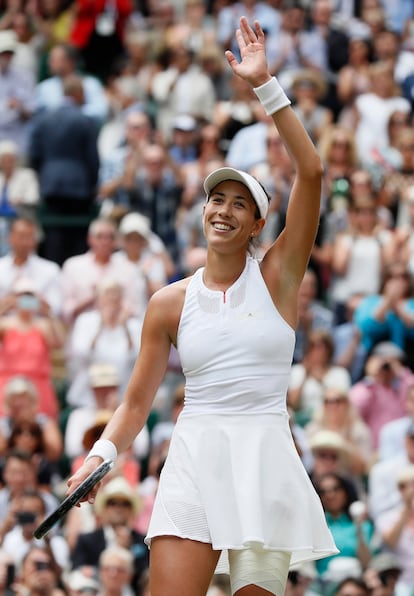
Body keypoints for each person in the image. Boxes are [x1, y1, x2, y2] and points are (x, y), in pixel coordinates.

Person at [67, 18, 338, 596]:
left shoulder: (279, 278)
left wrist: (267, 88)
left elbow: (312, 172)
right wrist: (101, 454)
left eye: (241, 204)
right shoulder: (168, 303)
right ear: (204, 210)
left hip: (264, 463)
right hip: (192, 461)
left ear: (259, 224)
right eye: (217, 198)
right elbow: (137, 402)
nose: (224, 210)